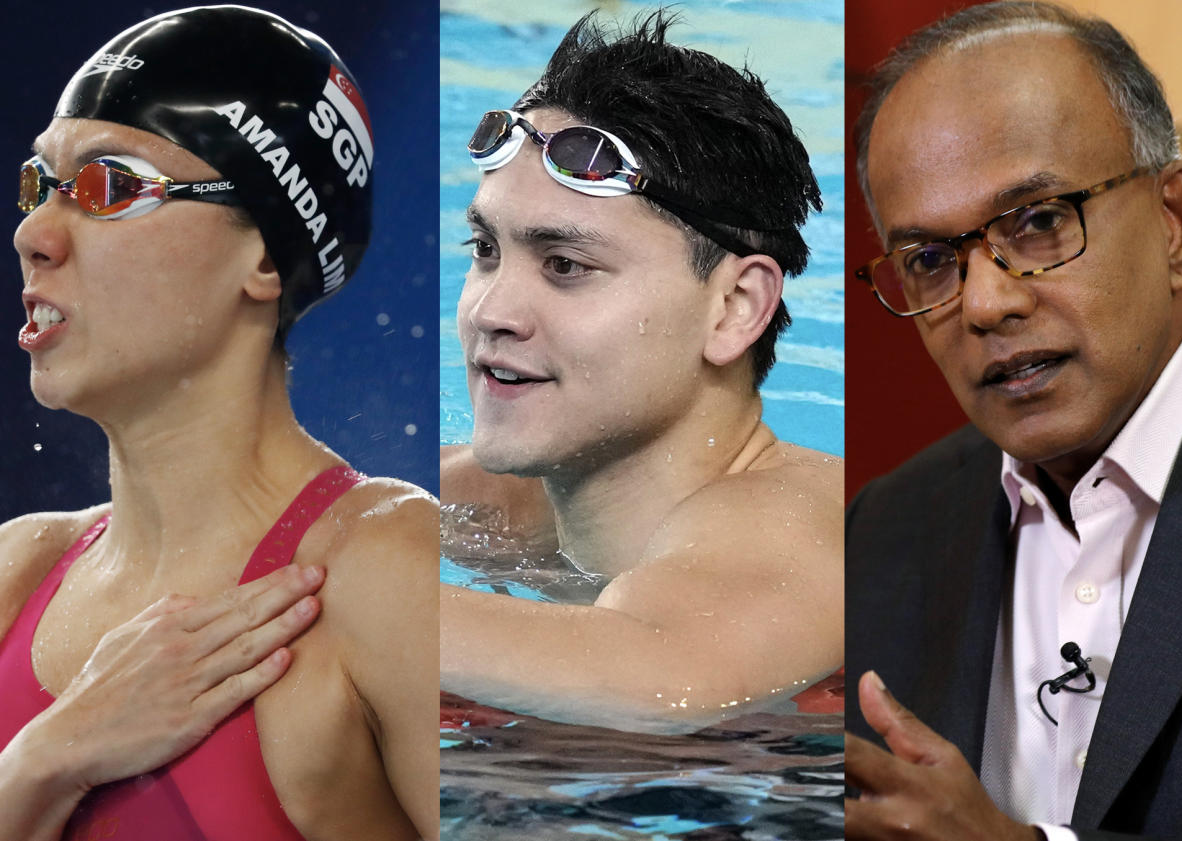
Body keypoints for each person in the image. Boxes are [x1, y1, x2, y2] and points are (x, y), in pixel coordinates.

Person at [0, 7, 436, 840]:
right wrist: (45, 759)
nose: (34, 233)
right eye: (38, 185)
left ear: (266, 257)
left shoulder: (382, 571)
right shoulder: (16, 568)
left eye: (109, 187)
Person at [844, 2, 1182, 839]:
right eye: (928, 261)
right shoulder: (880, 532)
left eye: (1038, 221)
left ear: (1177, 224)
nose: (984, 303)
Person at [439, 10, 843, 735]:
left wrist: (356, 593)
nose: (490, 311)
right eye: (485, 249)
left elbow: (666, 678)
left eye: (565, 265)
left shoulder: (805, 518)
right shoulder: (477, 504)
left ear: (733, 307)